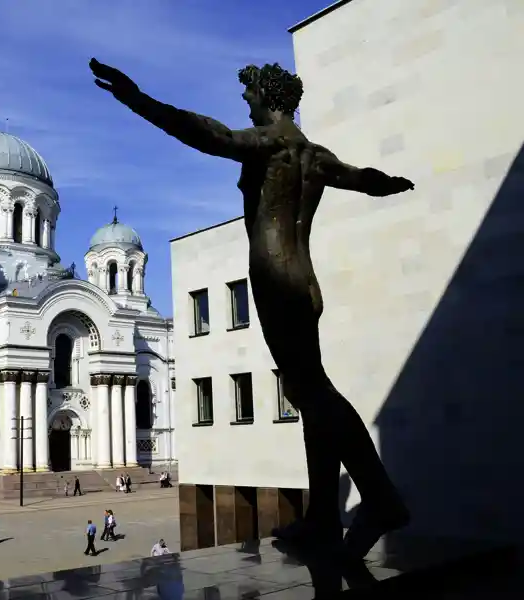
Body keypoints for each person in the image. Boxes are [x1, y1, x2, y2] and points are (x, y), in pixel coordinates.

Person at [89, 58, 413, 563]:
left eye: (250, 95)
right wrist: (387, 181)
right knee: (309, 391)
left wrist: (137, 99)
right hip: (304, 280)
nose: (246, 102)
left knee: (314, 390)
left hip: (275, 278)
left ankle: (381, 497)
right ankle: (325, 514)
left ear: (269, 96)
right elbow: (363, 177)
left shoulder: (272, 144)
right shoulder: (313, 153)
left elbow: (206, 133)